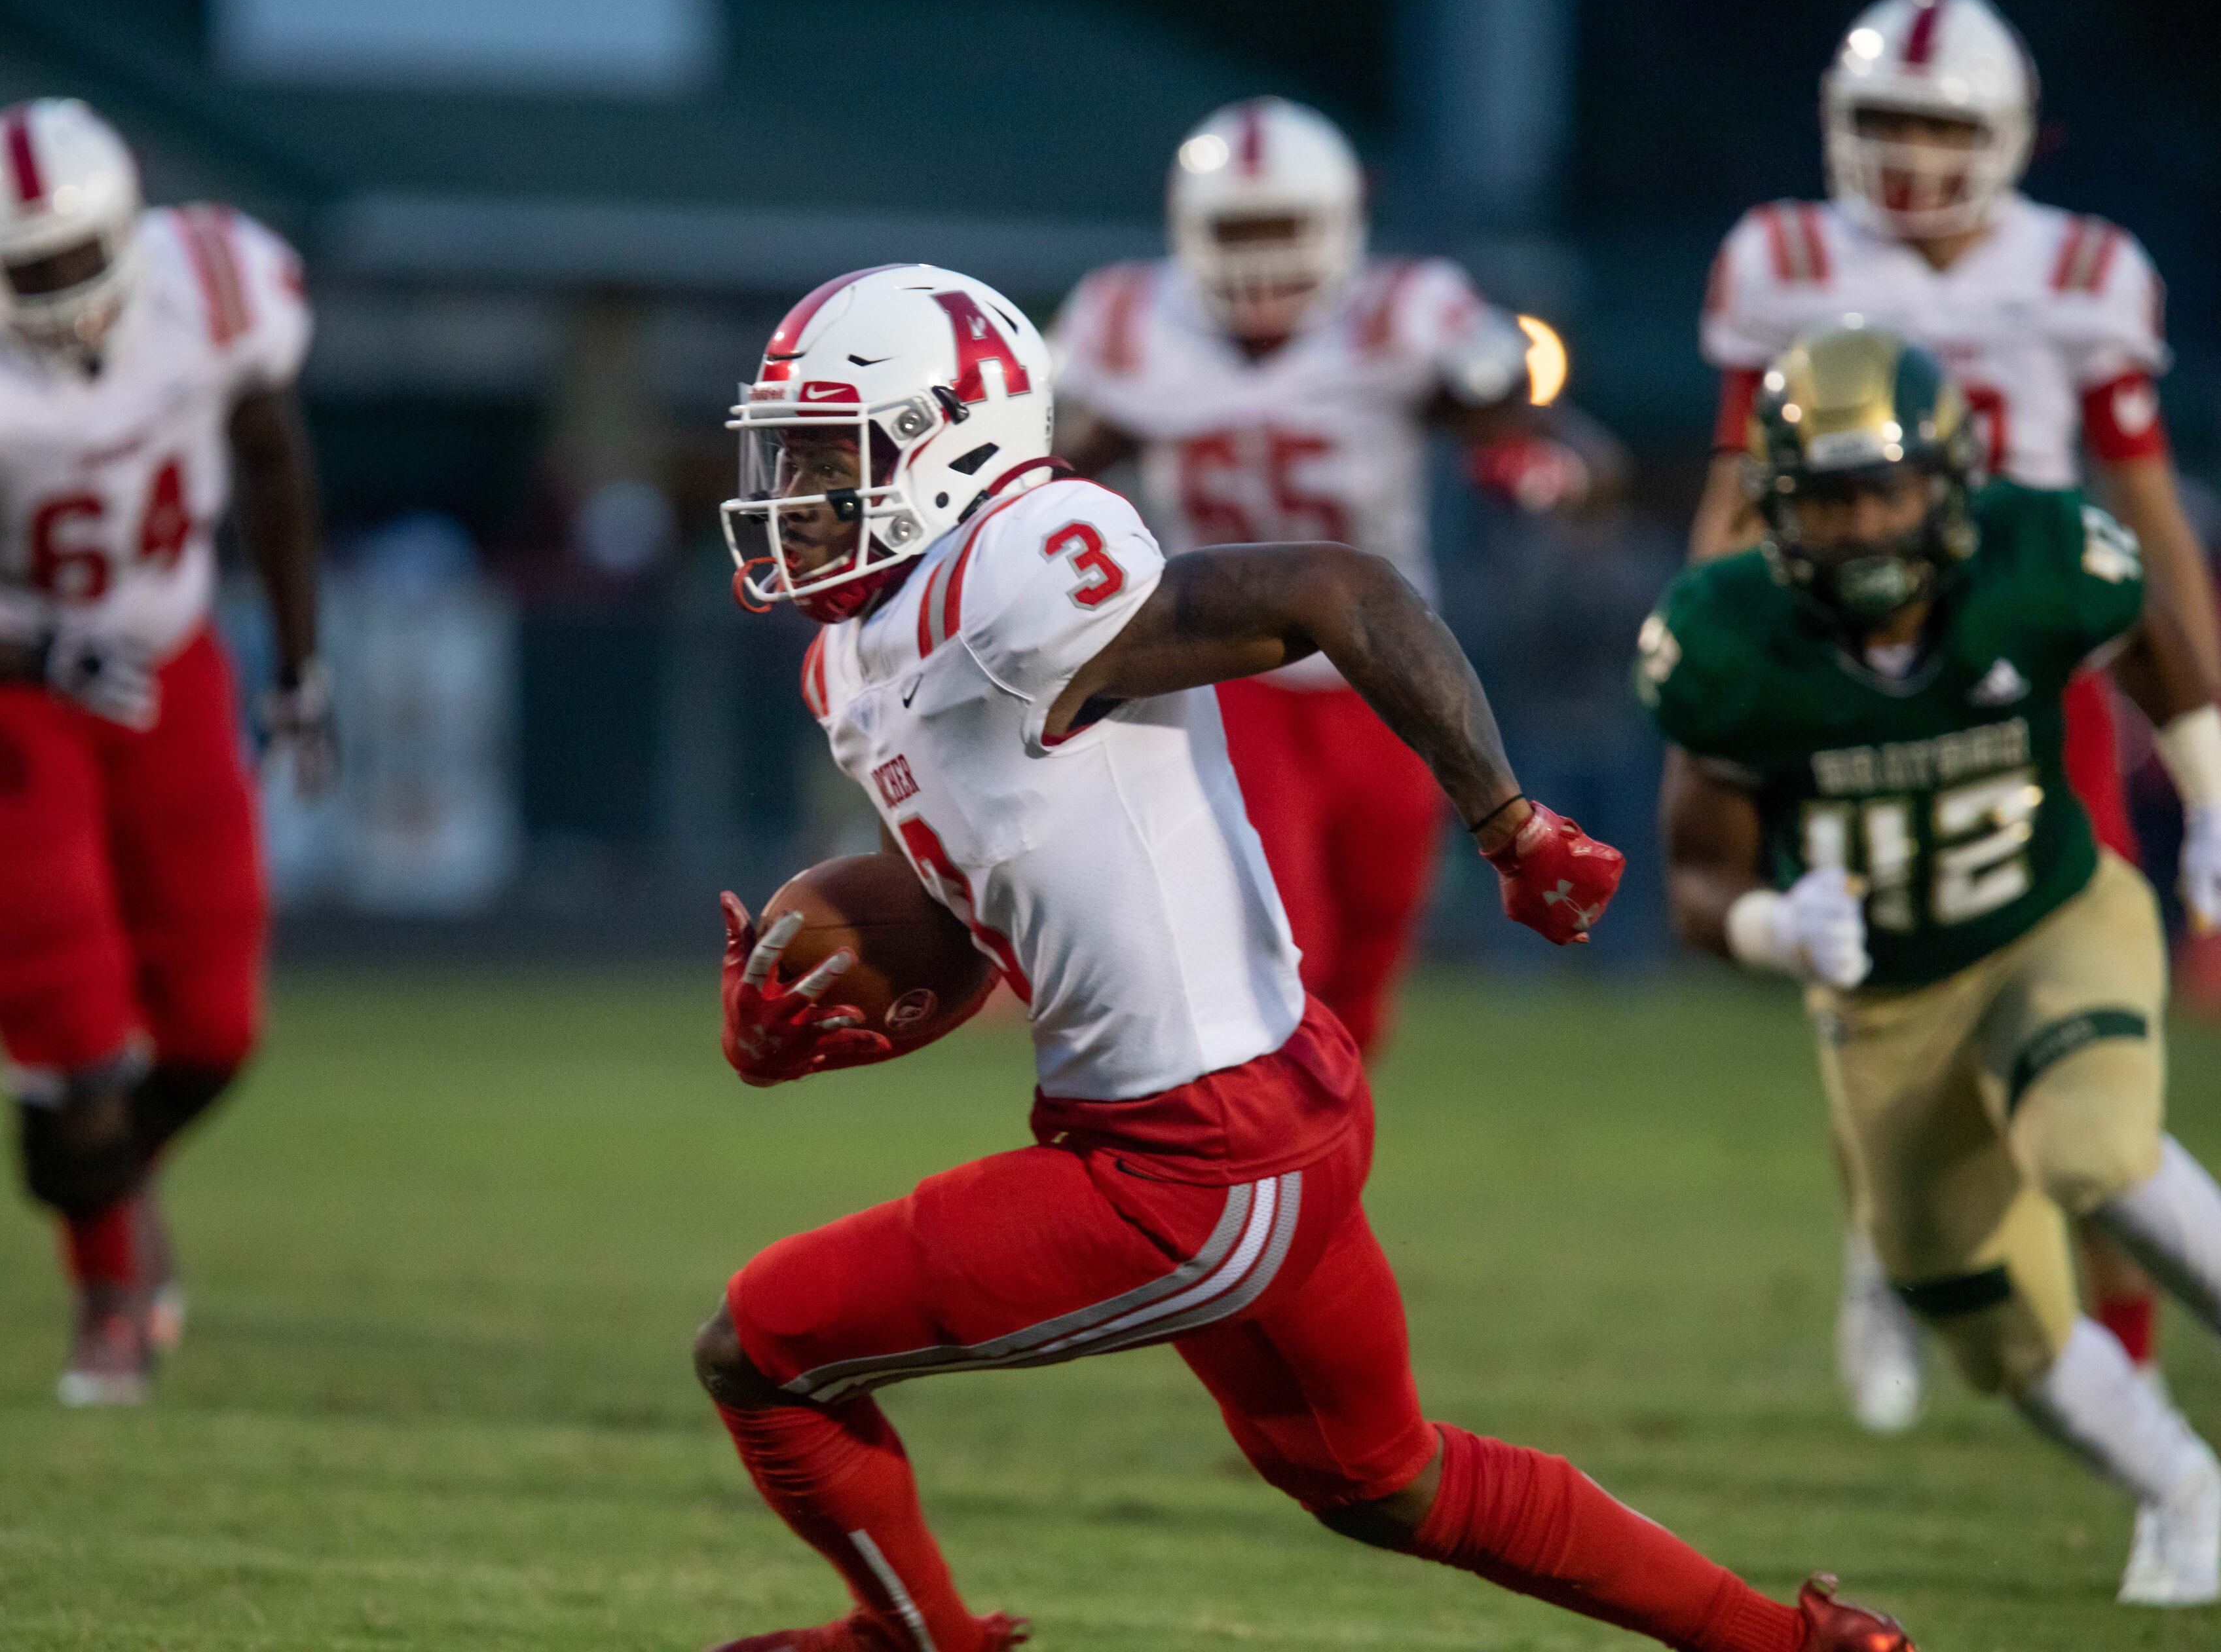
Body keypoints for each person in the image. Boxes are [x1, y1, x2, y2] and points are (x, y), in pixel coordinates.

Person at [691, 263, 1909, 1652]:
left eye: (829, 452)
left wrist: (1507, 824)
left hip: (1187, 1157)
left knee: (761, 1347)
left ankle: (917, 1636)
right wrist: (847, 1000)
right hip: (1256, 1105)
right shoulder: (849, 656)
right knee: (1385, 1480)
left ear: (949, 438)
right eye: (784, 451)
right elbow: (999, 890)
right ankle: (1798, 1642)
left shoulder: (1022, 562)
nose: (791, 486)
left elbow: (1344, 587)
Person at [1687, 0, 2220, 1431]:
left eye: (1938, 125)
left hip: (2037, 687)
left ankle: (2125, 1364)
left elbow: (2149, 518)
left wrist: (2214, 732)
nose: (1911, 156)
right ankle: (1894, 1243)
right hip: (1837, 682)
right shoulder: (1784, 257)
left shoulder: (2084, 272)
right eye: (1882, 124)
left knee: (2089, 1054)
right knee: (1877, 1010)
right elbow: (1738, 489)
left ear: (2010, 137)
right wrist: (1707, 653)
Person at [1646, 324, 2221, 1606]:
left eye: (1884, 489)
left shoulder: (2033, 551)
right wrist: (1773, 928)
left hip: (2050, 923)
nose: (1861, 525)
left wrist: (2212, 791)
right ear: (1778, 506)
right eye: (1831, 497)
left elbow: (2152, 634)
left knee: (2091, 1146)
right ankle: (2185, 1489)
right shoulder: (1730, 634)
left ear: (1947, 481)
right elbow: (1697, 871)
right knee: (1981, 1311)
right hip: (1887, 1002)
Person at [0, 99, 330, 1406]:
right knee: (76, 1035)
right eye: (24, 271)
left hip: (165, 661)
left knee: (213, 1026)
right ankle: (108, 1294)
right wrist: (37, 657)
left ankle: (95, 1167)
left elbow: (273, 467)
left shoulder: (217, 286)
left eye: (74, 258)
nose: (57, 295)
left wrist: (304, 662)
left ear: (130, 230)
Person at [1051, 96, 1619, 1059]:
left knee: (1373, 944)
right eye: (1239, 228)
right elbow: (1053, 466)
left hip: (1385, 675)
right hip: (1221, 677)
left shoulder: (1403, 313)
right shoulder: (1126, 321)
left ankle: (1321, 1178)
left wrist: (1541, 467)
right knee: (1282, 945)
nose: (1262, 255)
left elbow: (1539, 435)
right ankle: (1268, 1172)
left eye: (1283, 226)